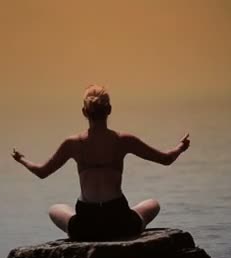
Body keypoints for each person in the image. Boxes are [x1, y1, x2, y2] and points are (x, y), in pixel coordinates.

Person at [11, 85, 190, 241]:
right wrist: (181, 147)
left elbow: (42, 172)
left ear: (84, 112)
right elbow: (166, 159)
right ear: (109, 110)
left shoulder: (73, 143)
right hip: (120, 221)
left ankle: (77, 233)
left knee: (55, 209)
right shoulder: (124, 140)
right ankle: (132, 226)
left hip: (85, 225)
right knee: (153, 203)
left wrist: (22, 160)